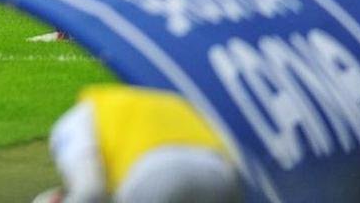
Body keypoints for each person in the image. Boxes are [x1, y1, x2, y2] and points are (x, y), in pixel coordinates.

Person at [37, 84, 241, 203]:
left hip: (156, 175)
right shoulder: (166, 100)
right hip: (220, 173)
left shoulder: (71, 123)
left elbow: (90, 190)